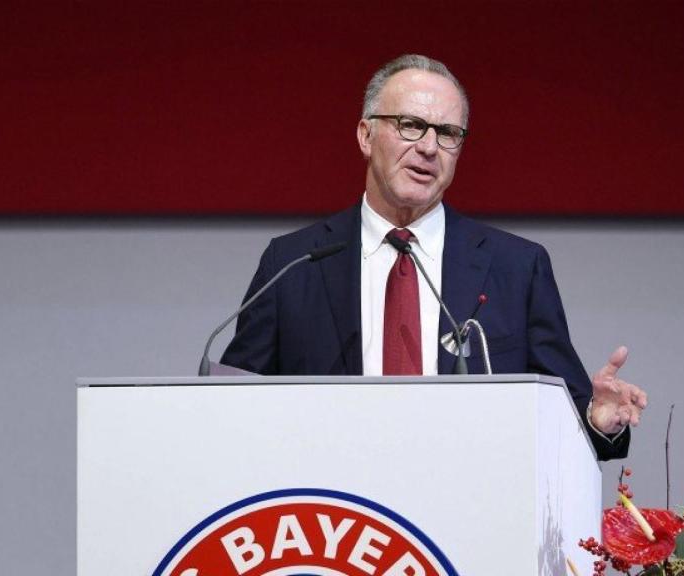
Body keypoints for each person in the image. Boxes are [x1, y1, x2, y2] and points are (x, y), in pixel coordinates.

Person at [221, 54, 647, 460]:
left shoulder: (516, 267)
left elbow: (564, 411)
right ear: (366, 136)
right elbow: (231, 408)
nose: (429, 147)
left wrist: (597, 419)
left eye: (448, 133)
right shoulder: (293, 262)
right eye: (410, 125)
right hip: (335, 511)